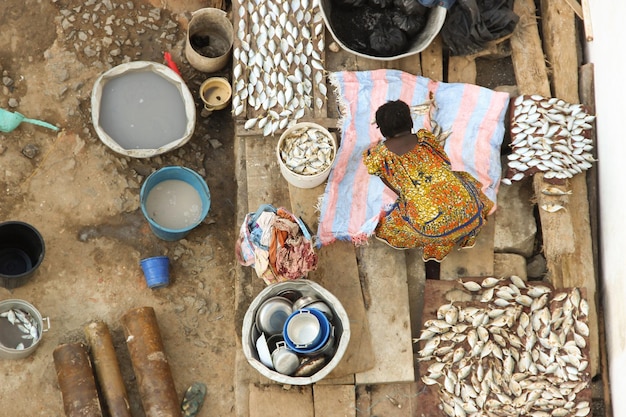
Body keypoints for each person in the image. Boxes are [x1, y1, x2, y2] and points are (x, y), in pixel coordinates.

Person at [362, 100, 494, 263]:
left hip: (434, 231)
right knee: (461, 179)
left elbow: (378, 171)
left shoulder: (379, 155)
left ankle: (438, 236)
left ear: (382, 130)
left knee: (391, 226)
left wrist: (404, 190)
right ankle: (462, 226)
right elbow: (445, 162)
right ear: (410, 122)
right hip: (470, 212)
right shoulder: (426, 139)